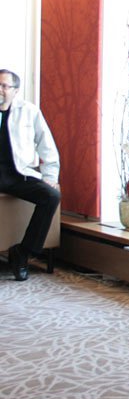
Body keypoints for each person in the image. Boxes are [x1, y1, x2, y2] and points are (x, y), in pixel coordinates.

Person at [0, 69, 60, 281]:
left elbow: (46, 144)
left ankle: (23, 253)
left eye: (4, 86)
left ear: (15, 91)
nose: (0, 90)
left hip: (18, 174)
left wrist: (50, 175)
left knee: (51, 196)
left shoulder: (29, 111)